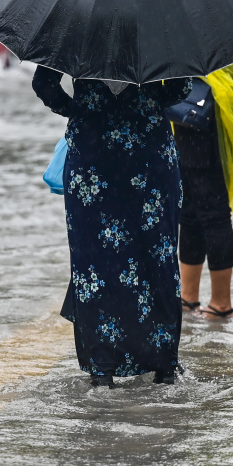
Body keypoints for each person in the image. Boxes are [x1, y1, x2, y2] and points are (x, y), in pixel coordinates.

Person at [33, 69, 192, 386]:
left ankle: (102, 367)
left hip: (93, 151)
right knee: (156, 257)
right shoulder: (158, 22)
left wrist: (82, 109)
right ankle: (163, 363)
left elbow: (44, 84)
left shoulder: (75, 22)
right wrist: (145, 100)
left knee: (95, 263)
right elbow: (180, 87)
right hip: (149, 150)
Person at [175, 59, 233, 321]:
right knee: (190, 210)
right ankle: (188, 296)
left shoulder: (202, 24)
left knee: (212, 212)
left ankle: (221, 302)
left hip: (206, 113)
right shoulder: (227, 23)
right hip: (196, 112)